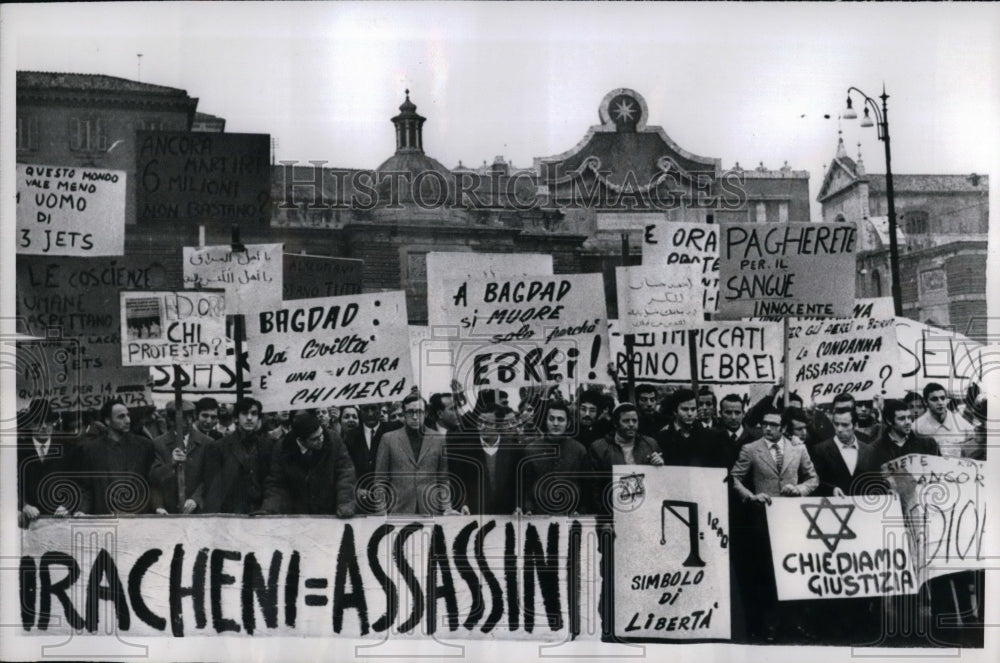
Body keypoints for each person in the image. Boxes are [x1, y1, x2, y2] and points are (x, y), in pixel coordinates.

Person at [70, 399, 157, 515]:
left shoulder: (145, 446)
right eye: (121, 417)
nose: (127, 420)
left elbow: (152, 482)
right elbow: (86, 487)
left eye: (128, 416)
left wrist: (157, 507)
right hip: (105, 519)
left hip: (137, 519)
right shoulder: (90, 450)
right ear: (107, 421)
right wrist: (82, 510)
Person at [261, 412, 356, 516]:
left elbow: (346, 473)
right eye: (315, 439)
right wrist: (270, 510)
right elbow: (276, 484)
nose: (321, 440)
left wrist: (345, 502)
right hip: (297, 515)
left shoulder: (334, 440)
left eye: (321, 435)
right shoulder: (282, 448)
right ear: (301, 441)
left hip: (330, 512)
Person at [374, 393, 453, 515]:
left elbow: (443, 480)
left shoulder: (439, 439)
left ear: (426, 414)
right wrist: (381, 513)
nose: (415, 416)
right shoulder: (388, 439)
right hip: (399, 511)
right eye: (410, 412)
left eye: (419, 412)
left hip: (430, 511)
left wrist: (447, 509)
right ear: (404, 414)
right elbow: (380, 481)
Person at [730, 405, 819, 504]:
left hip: (791, 509)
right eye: (764, 424)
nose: (767, 428)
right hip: (763, 510)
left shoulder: (798, 448)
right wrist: (751, 496)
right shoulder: (750, 449)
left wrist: (799, 490)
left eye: (773, 425)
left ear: (784, 428)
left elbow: (813, 478)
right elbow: (734, 478)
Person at [201, 398, 276, 514]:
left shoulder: (268, 445)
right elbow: (213, 489)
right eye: (245, 413)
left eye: (254, 414)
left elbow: (273, 482)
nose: (249, 418)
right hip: (231, 515)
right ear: (236, 418)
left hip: (260, 513)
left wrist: (267, 508)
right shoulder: (219, 447)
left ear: (259, 418)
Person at [589, 403, 664, 515]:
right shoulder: (599, 448)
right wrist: (603, 517)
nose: (631, 424)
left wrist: (661, 466)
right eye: (626, 421)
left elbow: (660, 484)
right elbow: (594, 487)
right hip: (614, 510)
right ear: (615, 423)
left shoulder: (650, 444)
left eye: (634, 421)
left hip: (645, 509)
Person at [446, 404, 521, 515]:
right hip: (475, 514)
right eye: (480, 422)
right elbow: (458, 482)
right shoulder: (466, 450)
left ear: (498, 425)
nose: (482, 426)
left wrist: (518, 506)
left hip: (506, 515)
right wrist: (463, 504)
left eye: (488, 423)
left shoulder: (513, 449)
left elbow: (518, 483)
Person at [522, 401, 592, 515]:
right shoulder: (531, 450)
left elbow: (586, 485)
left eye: (560, 419)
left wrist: (581, 510)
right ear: (546, 421)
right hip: (539, 515)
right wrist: (528, 509)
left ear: (568, 423)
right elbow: (526, 485)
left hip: (570, 514)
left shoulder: (579, 450)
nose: (555, 423)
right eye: (551, 419)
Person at [149, 400, 212, 514]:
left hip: (198, 511)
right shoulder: (159, 443)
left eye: (190, 417)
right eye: (183, 418)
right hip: (169, 511)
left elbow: (210, 476)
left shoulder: (206, 443)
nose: (188, 422)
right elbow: (154, 478)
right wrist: (171, 464)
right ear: (171, 420)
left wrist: (196, 499)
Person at [17, 400, 71, 524]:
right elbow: (13, 485)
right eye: (38, 422)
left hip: (61, 519)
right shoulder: (19, 451)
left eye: (48, 421)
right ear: (30, 424)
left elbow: (77, 483)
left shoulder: (66, 448)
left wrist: (67, 505)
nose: (44, 426)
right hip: (29, 521)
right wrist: (24, 505)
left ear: (53, 423)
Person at [810, 409, 882, 497]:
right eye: (836, 424)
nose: (839, 429)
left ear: (855, 425)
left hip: (863, 507)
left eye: (845, 425)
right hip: (832, 507)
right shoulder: (819, 450)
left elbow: (875, 481)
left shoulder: (869, 451)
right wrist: (831, 489)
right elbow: (812, 482)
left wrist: (886, 490)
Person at [655, 388, 729, 468]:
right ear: (675, 411)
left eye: (693, 409)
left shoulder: (711, 436)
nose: (690, 413)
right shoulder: (662, 438)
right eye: (685, 409)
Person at [871, 399, 940, 467]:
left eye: (909, 417)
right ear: (889, 421)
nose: (908, 422)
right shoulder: (875, 449)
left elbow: (939, 470)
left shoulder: (927, 444)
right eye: (902, 418)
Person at [913, 382, 972, 457]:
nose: (940, 402)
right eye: (934, 399)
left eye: (943, 398)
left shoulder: (961, 423)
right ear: (925, 402)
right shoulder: (916, 427)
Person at [715, 393, 756, 468]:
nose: (733, 417)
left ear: (743, 414)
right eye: (728, 412)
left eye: (737, 412)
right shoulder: (713, 437)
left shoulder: (755, 438)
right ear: (720, 414)